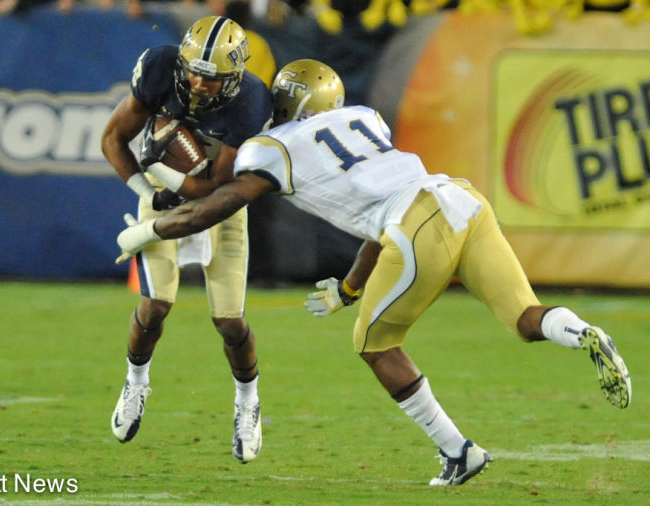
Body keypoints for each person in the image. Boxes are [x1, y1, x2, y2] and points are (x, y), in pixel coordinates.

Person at [114, 58, 633, 485]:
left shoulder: (270, 149)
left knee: (374, 345)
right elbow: (375, 217)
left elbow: (219, 205)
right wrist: (348, 288)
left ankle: (459, 452)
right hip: (461, 199)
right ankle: (581, 331)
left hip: (414, 225)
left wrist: (147, 232)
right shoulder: (363, 118)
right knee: (526, 317)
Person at [101, 15, 273, 463]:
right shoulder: (160, 69)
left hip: (220, 203)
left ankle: (247, 402)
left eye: (210, 77)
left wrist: (162, 164)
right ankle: (136, 384)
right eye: (193, 69)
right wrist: (148, 192)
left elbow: (212, 188)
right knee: (155, 305)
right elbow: (112, 138)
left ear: (233, 77)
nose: (197, 81)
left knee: (229, 319)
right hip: (163, 195)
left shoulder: (251, 101)